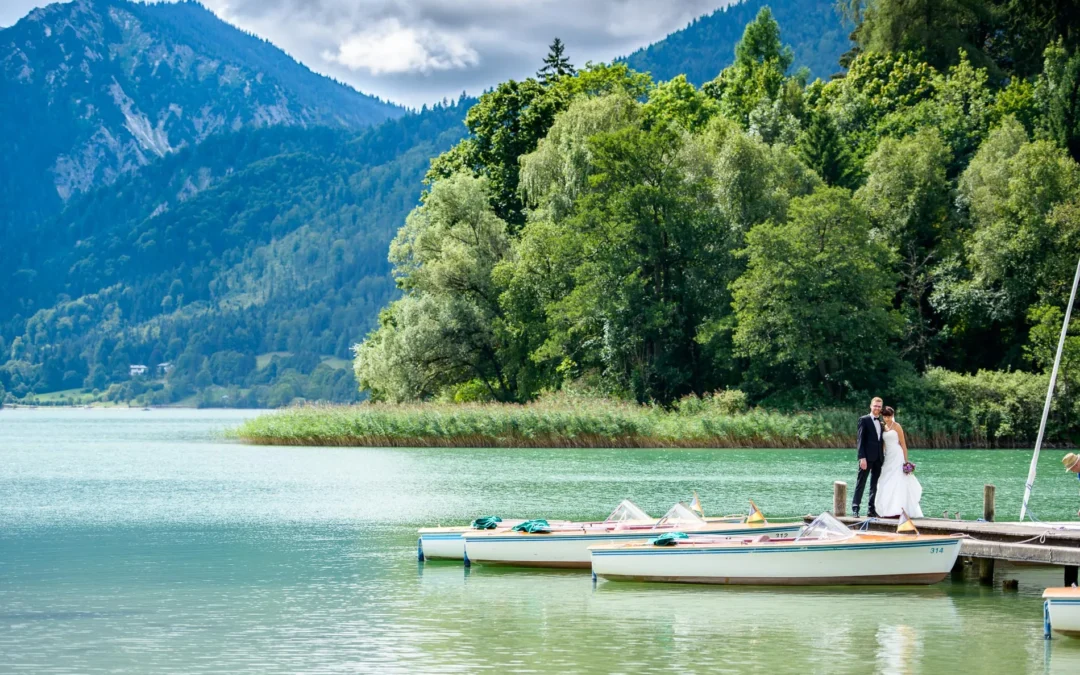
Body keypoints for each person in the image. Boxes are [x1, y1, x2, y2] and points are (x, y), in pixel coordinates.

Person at [874, 406, 923, 518]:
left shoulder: (897, 426)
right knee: (885, 479)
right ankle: (885, 509)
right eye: (885, 416)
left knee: (898, 480)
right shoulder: (883, 426)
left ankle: (898, 509)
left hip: (897, 454)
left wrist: (906, 461)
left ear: (892, 416)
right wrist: (881, 456)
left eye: (889, 416)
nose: (887, 419)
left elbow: (903, 444)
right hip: (888, 456)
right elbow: (883, 444)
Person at [852, 396, 884, 518]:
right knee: (861, 483)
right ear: (871, 406)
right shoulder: (863, 419)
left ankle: (871, 510)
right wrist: (862, 457)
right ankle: (855, 508)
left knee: (874, 485)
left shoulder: (881, 423)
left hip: (878, 459)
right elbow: (860, 440)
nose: (877, 408)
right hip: (866, 458)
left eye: (879, 406)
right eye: (875, 406)